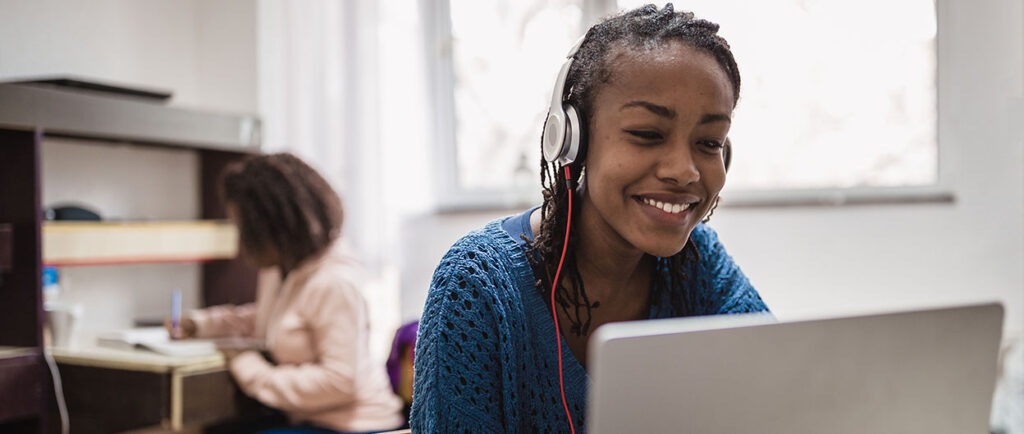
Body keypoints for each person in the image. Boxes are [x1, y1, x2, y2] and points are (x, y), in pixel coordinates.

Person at [410, 4, 769, 432]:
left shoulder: (698, 263)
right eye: (647, 134)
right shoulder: (478, 286)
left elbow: (779, 392)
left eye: (709, 142)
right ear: (572, 140)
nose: (685, 170)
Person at [169, 153, 404, 434]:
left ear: (276, 227)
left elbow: (340, 381)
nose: (240, 243)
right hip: (310, 420)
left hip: (356, 426)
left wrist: (251, 369)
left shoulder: (334, 283)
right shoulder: (283, 270)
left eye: (244, 230)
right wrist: (201, 325)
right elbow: (277, 319)